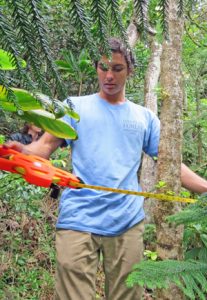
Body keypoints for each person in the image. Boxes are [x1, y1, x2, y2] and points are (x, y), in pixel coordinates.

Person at [5, 38, 207, 300]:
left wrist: (205, 187)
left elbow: (171, 165)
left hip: (126, 222)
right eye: (103, 67)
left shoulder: (143, 117)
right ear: (96, 68)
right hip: (78, 219)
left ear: (129, 71)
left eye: (117, 68)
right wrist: (18, 152)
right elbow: (42, 149)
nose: (109, 75)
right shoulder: (74, 107)